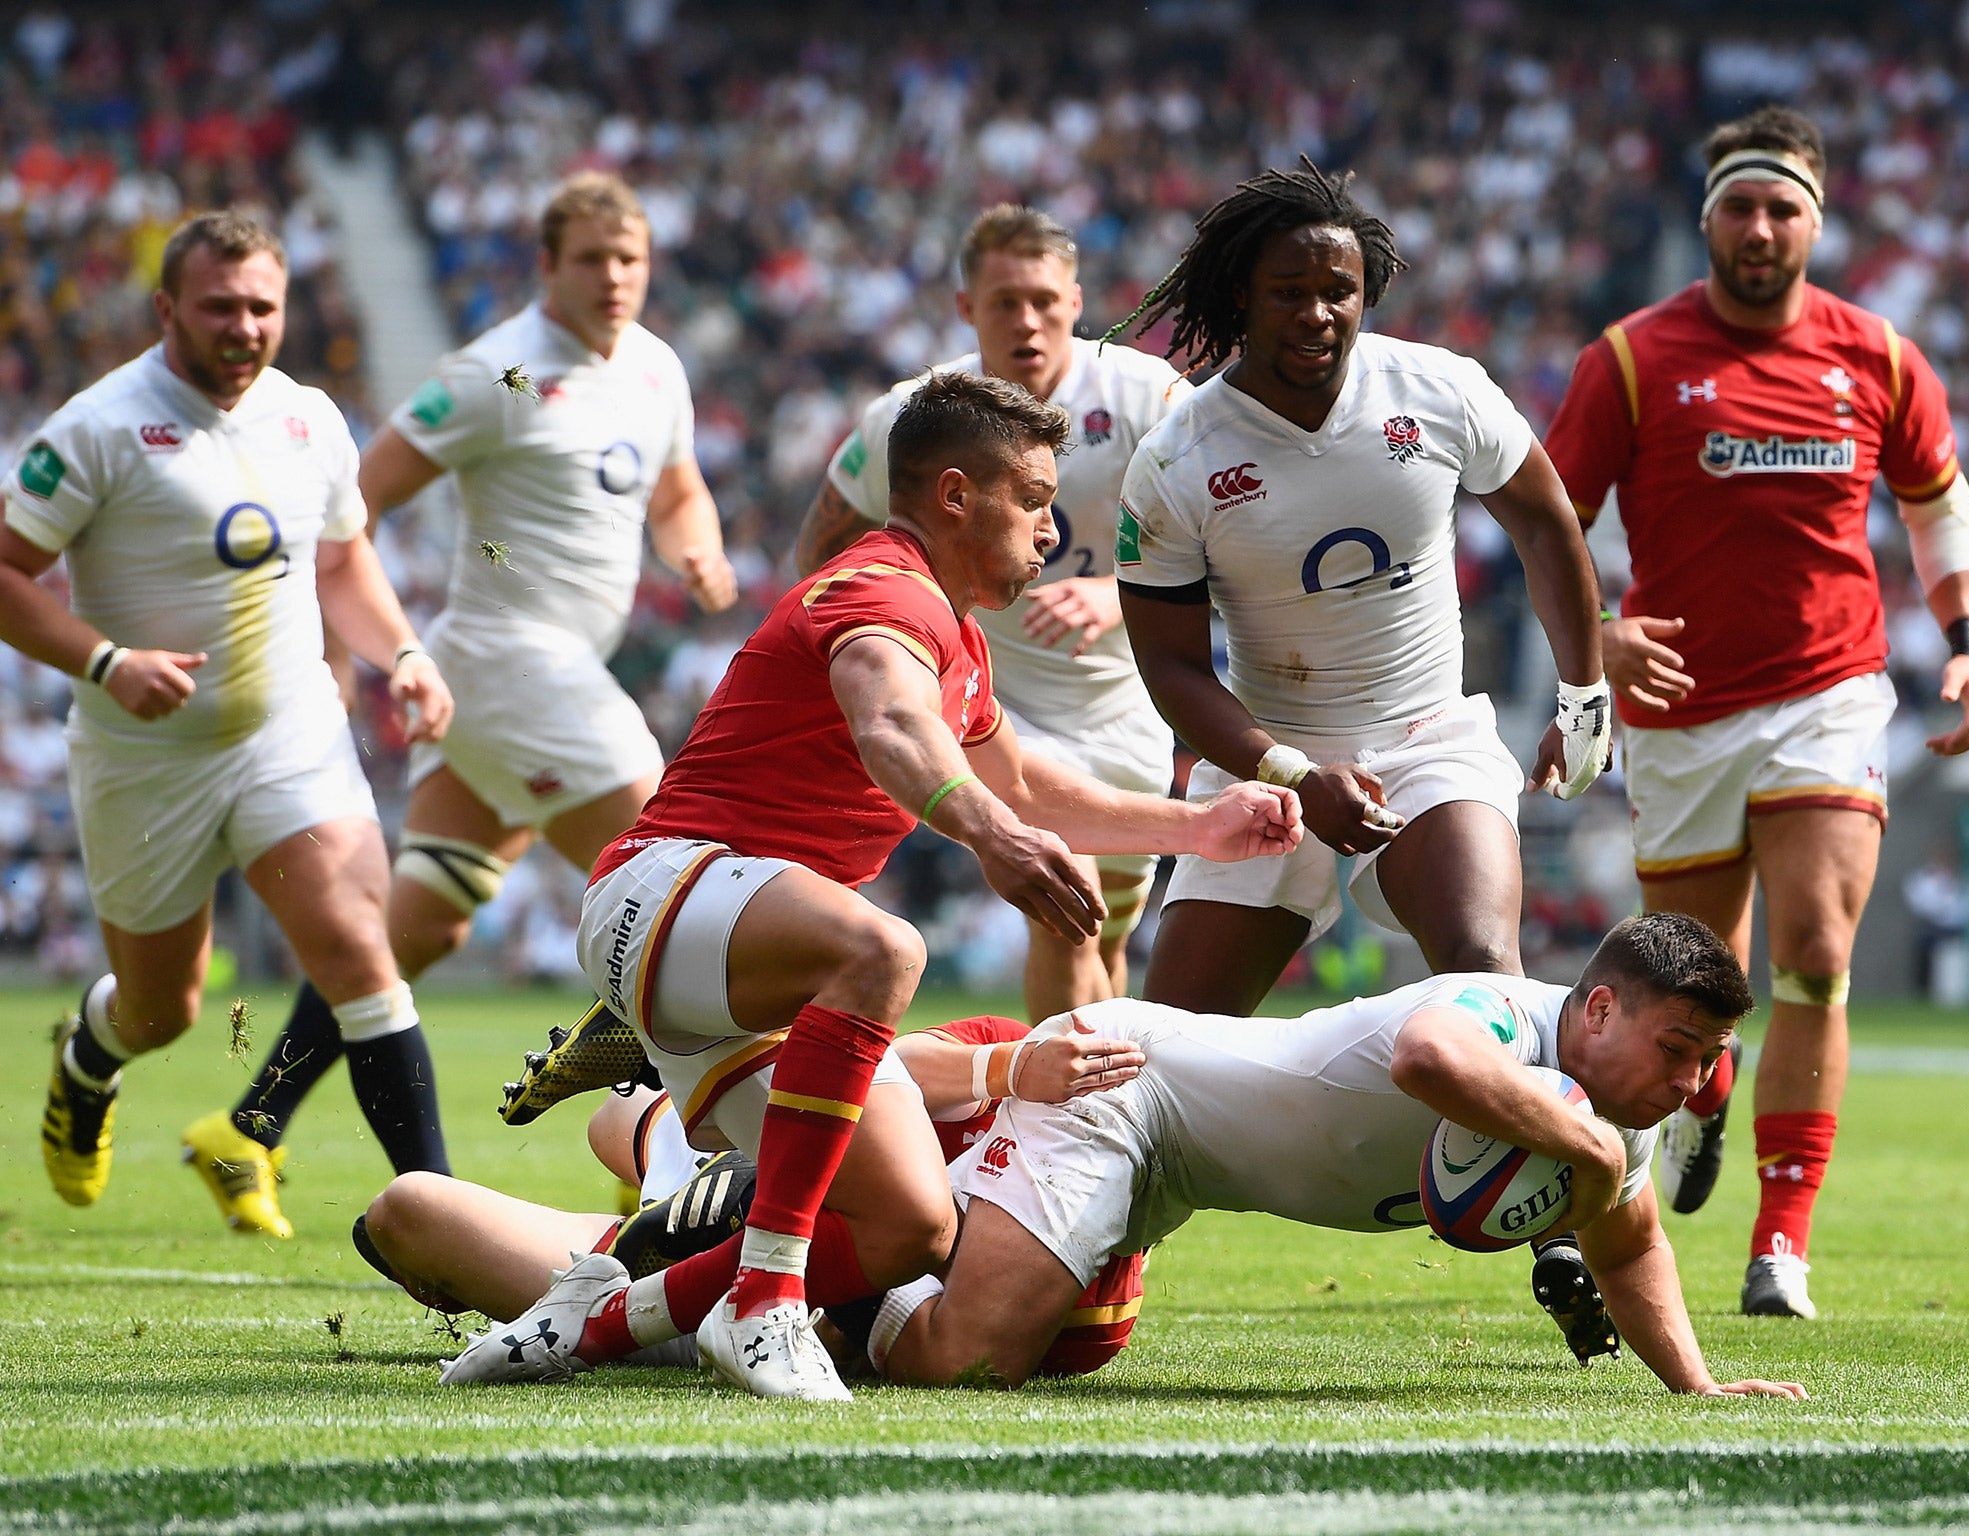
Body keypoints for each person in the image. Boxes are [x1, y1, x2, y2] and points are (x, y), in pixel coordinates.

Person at [443, 371, 1301, 1401]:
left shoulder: (960, 642)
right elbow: (890, 723)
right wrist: (992, 840)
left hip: (759, 980)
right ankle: (761, 1301)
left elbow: (1023, 787)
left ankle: (606, 1315)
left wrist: (1198, 825)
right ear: (951, 494)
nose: (1047, 531)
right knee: (884, 947)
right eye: (1031, 499)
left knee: (905, 1229)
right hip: (662, 889)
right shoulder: (883, 590)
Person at [1109, 159, 1612, 1347]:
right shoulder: (1178, 458)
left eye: (1338, 289)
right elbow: (1173, 670)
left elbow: (1543, 515)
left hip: (1427, 737)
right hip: (1265, 763)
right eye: (1288, 291)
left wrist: (1583, 693)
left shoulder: (1434, 389)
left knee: (1483, 961)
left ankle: (1550, 1228)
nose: (1317, 314)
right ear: (1240, 297)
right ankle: (1076, 1259)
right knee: (1157, 1047)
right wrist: (1286, 772)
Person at [206, 174, 739, 1226]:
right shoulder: (497, 370)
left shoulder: (654, 369)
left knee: (418, 931)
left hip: (526, 676)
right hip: (507, 660)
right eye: (590, 259)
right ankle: (683, 1159)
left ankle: (245, 1128)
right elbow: (355, 497)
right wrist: (352, 633)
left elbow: (677, 490)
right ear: (546, 268)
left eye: (628, 258)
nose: (613, 278)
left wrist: (698, 552)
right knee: (682, 882)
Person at [1544, 107, 1969, 1320]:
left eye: (1781, 206)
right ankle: (1701, 1094)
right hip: (1680, 709)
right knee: (1687, 990)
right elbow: (1548, 518)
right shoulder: (1630, 359)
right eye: (1738, 207)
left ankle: (1777, 1242)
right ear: (1705, 221)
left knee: (1814, 954)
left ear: (1815, 218)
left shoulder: (1880, 358)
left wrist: (1963, 646)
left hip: (1828, 690)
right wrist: (1595, 640)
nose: (1759, 227)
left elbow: (1939, 511)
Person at [0, 212, 455, 1230]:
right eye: (219, 307)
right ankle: (90, 1058)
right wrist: (106, 663)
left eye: (262, 307)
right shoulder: (99, 427)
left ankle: (450, 1228)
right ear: (167, 308)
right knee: (164, 1009)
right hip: (143, 757)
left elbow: (342, 562)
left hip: (287, 732)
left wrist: (406, 655)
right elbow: (6, 572)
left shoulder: (310, 419)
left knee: (359, 956)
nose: (244, 326)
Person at [867, 914, 1801, 1400]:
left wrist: (1700, 1385)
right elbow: (1426, 1058)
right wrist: (1592, 1146)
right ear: (1599, 1009)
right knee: (970, 1364)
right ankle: (836, 1259)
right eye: (1675, 1048)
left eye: (1707, 1061)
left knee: (1071, 1348)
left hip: (1182, 1177)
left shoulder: (1626, 1113)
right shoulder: (1501, 1014)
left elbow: (1631, 1249)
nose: (1689, 1083)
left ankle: (872, 1248)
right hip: (1124, 1088)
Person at [796, 206, 1185, 1022]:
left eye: (1043, 300)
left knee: (1102, 935)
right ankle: (1069, 1125)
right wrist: (914, 633)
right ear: (967, 307)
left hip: (1125, 710)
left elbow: (1235, 544)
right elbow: (822, 548)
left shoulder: (1149, 398)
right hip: (998, 713)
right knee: (1061, 917)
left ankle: (1111, 1115)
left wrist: (1117, 593)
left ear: (1076, 301)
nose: (1027, 320)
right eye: (1004, 302)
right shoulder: (917, 417)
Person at [367, 1016, 1146, 1380]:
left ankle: (677, 1080)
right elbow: (897, 1060)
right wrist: (1006, 1070)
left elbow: (913, 1340)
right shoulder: (1051, 1061)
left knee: (410, 1211)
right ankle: (671, 1091)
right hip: (763, 1177)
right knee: (634, 1127)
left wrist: (746, 1215)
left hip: (725, 1281)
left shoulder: (1082, 1300)